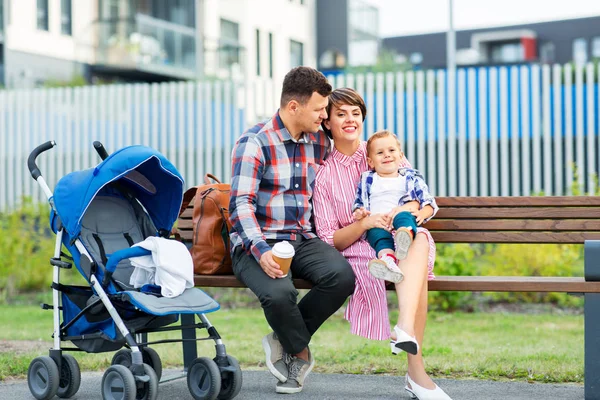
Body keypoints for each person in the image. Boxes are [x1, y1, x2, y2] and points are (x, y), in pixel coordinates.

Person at [312, 87, 452, 400]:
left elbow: (419, 198)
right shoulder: (324, 176)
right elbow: (329, 238)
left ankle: (404, 330)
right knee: (414, 262)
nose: (350, 120)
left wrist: (407, 211)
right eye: (341, 114)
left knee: (417, 241)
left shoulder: (382, 148)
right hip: (363, 250)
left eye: (355, 113)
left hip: (403, 237)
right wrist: (363, 223)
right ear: (327, 123)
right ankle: (416, 374)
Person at [229, 67, 355, 394]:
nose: (324, 116)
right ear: (294, 107)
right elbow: (240, 204)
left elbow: (355, 155)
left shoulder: (318, 141)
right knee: (279, 293)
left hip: (301, 238)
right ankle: (298, 353)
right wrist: (261, 250)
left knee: (342, 276)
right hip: (254, 241)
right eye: (319, 110)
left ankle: (282, 339)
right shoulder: (254, 142)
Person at [352, 130, 438, 291]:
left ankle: (405, 236)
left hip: (401, 218)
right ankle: (388, 263)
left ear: (400, 155)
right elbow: (360, 202)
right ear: (370, 161)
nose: (387, 155)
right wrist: (360, 213)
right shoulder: (368, 179)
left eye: (391, 150)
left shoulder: (410, 178)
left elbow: (429, 202)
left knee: (404, 216)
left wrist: (421, 213)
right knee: (377, 235)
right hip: (379, 222)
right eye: (380, 152)